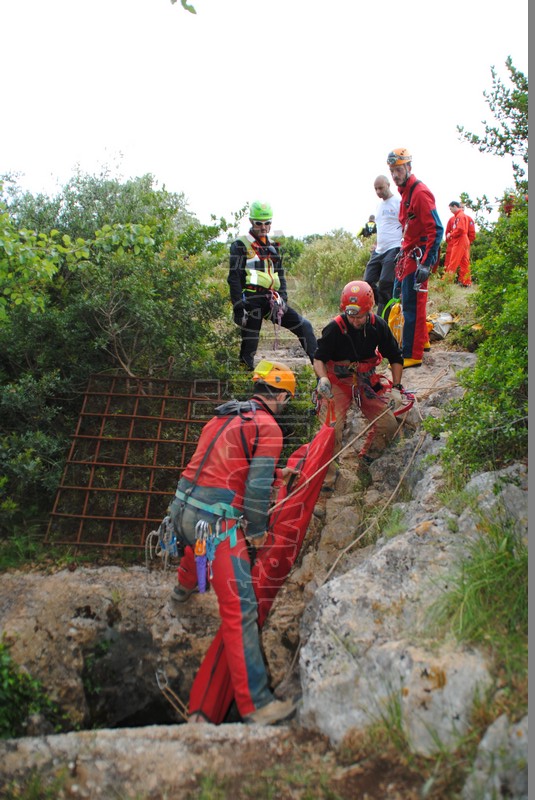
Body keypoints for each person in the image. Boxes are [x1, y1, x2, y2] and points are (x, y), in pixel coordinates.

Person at [167, 360, 298, 726]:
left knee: (196, 548)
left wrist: (276, 471)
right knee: (240, 611)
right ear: (282, 395)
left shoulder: (223, 417)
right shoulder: (268, 427)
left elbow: (221, 463)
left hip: (181, 511)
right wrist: (257, 531)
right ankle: (257, 705)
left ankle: (180, 593)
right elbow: (255, 490)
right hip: (217, 522)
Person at [313, 280, 407, 489]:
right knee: (331, 429)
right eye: (351, 316)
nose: (355, 321)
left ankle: (368, 458)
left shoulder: (377, 326)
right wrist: (323, 379)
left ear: (370, 310)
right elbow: (318, 358)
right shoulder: (335, 328)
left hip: (364, 381)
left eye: (359, 316)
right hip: (337, 382)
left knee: (388, 424)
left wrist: (397, 388)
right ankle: (327, 478)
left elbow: (395, 357)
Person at [228, 201, 317, 370]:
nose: (263, 227)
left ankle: (322, 372)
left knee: (304, 326)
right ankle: (244, 383)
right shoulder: (240, 245)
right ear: (251, 222)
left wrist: (283, 298)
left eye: (267, 223)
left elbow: (280, 274)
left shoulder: (273, 247)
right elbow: (234, 278)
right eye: (259, 223)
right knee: (250, 344)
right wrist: (239, 309)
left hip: (271, 299)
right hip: (251, 299)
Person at [387, 148, 444, 368]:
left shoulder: (419, 193)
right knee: (407, 299)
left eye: (399, 170)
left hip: (419, 255)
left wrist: (427, 263)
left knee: (412, 303)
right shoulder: (405, 194)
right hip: (410, 253)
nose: (395, 175)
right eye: (392, 170)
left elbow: (436, 229)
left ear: (409, 168)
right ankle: (423, 341)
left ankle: (412, 353)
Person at [363, 175, 403, 319]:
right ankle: (383, 306)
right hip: (379, 249)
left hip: (394, 246)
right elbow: (382, 227)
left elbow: (406, 224)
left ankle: (383, 319)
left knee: (386, 281)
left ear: (388, 185)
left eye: (381, 188)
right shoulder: (379, 206)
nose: (379, 191)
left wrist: (404, 242)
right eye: (376, 189)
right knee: (367, 281)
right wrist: (376, 243)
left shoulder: (398, 202)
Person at [443, 201, 472, 286]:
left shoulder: (460, 216)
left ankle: (446, 282)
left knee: (453, 261)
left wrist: (450, 234)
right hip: (463, 240)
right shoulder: (460, 216)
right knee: (464, 262)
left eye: (450, 208)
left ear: (455, 206)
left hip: (460, 240)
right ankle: (466, 282)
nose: (450, 210)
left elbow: (460, 229)